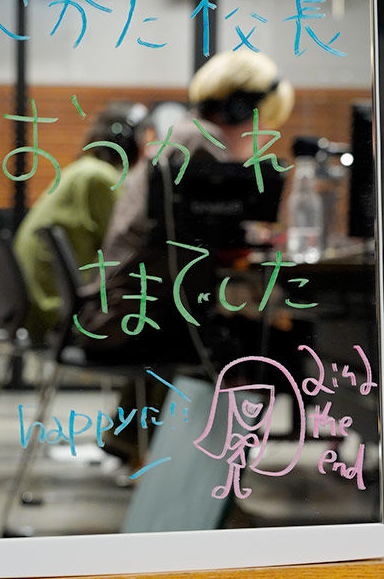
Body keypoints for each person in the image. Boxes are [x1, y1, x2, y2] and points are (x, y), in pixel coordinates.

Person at [76, 50, 295, 365]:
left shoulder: (181, 136)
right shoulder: (202, 146)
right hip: (135, 325)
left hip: (116, 317)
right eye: (266, 124)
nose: (262, 141)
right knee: (289, 350)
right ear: (241, 111)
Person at [13, 102, 147, 345]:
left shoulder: (83, 171)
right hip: (57, 309)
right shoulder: (99, 178)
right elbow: (124, 247)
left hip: (40, 306)